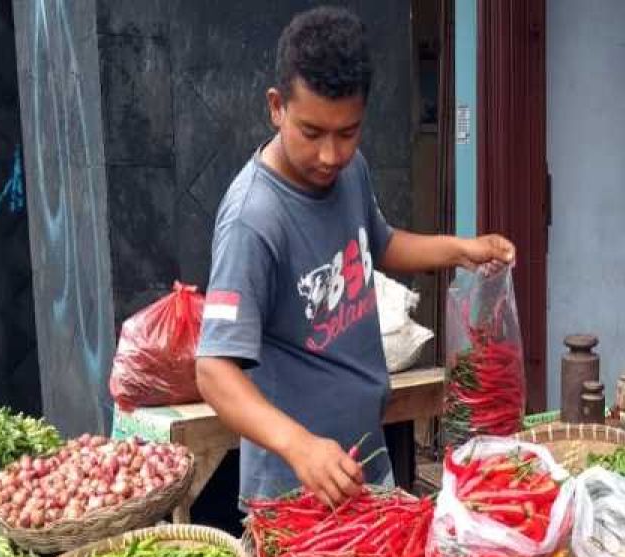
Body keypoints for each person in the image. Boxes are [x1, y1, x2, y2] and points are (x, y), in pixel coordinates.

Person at [196, 5, 515, 509]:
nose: (330, 156)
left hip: (366, 456)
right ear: (276, 106)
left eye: (348, 133)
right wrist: (299, 446)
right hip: (295, 490)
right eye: (311, 132)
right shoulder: (252, 220)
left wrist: (460, 250)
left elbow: (380, 244)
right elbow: (213, 370)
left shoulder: (350, 172)